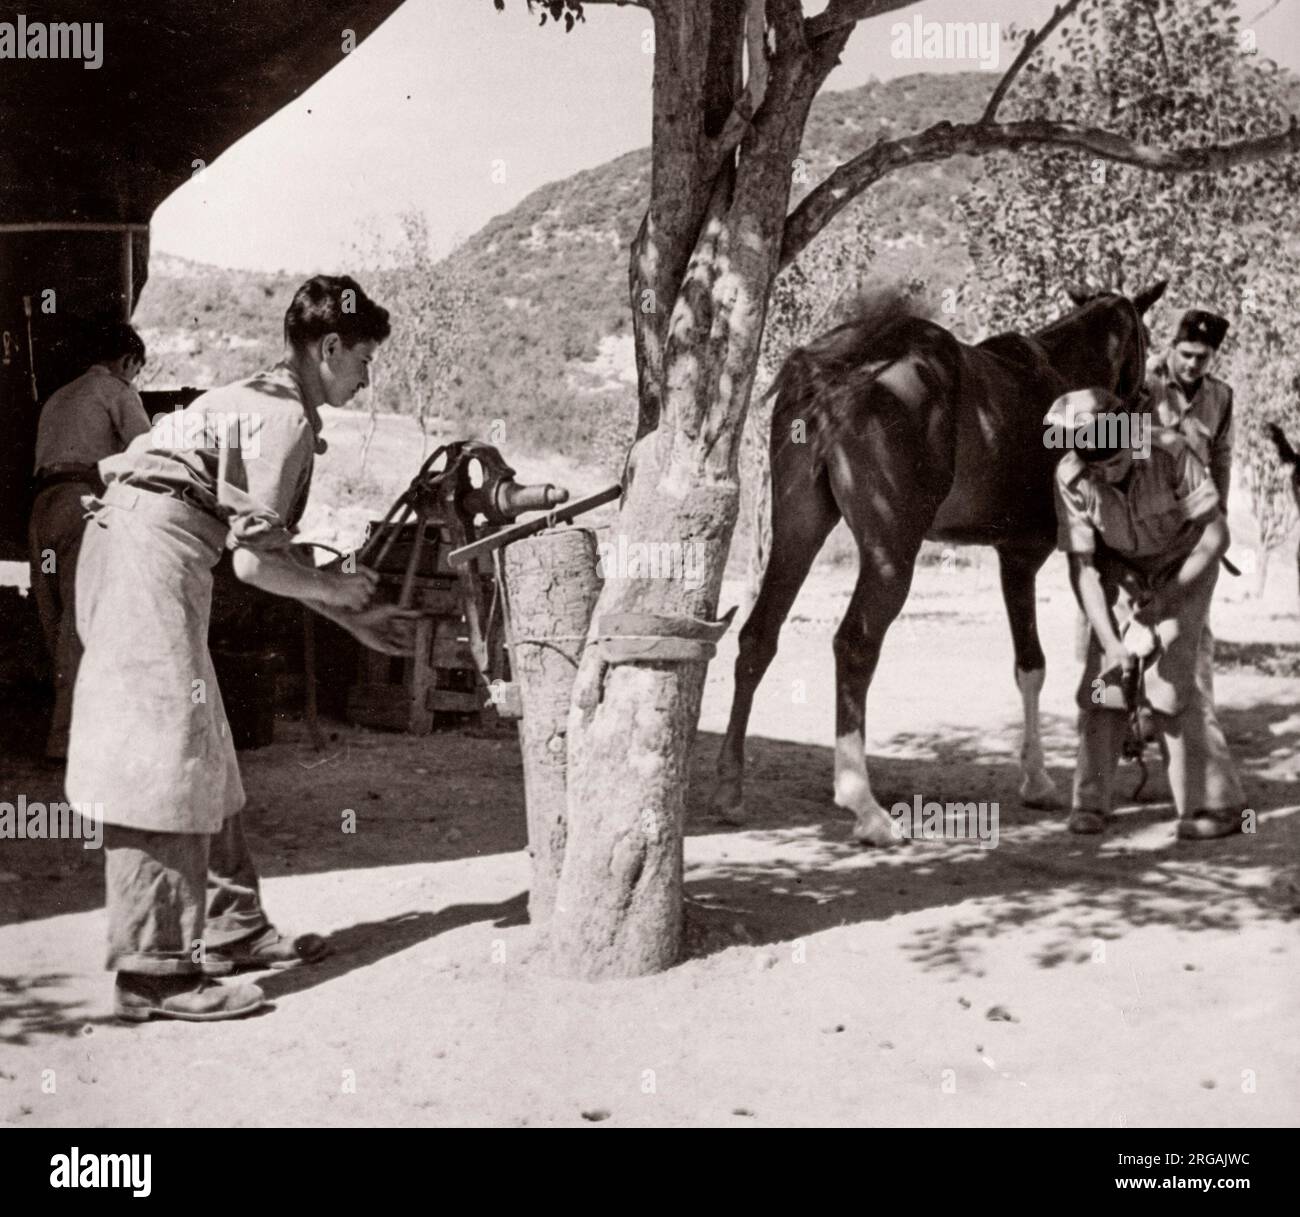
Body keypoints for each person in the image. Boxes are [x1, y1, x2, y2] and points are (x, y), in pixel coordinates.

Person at [65, 275, 417, 1022]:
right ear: (328, 348)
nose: (366, 375)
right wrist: (339, 595)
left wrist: (344, 610)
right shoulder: (283, 416)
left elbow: (262, 556)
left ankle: (233, 928)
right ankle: (154, 969)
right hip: (147, 552)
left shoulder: (263, 399)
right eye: (362, 359)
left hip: (151, 550)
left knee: (206, 744)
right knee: (163, 753)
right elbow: (257, 564)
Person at [1049, 387, 1247, 841]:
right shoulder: (1071, 475)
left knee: (1169, 682)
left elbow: (1216, 538)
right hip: (1122, 570)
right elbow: (1083, 568)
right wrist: (1114, 642)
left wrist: (1155, 613)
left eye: (1116, 460)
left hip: (1185, 564)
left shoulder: (1171, 451)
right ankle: (1091, 803)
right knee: (1103, 683)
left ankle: (1217, 805)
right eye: (1098, 466)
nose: (1108, 472)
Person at [28, 320, 151, 761]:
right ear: (126, 361)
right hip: (80, 508)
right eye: (136, 369)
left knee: (53, 620)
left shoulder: (58, 397)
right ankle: (69, 744)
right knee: (80, 626)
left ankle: (59, 733)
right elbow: (146, 454)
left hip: (41, 513)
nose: (135, 377)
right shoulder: (118, 391)